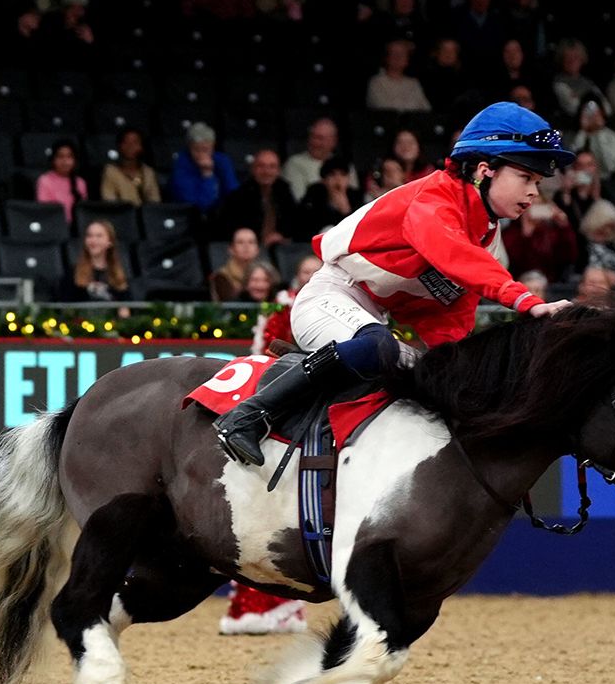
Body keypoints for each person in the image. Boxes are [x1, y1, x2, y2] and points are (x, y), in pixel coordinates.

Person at [214, 102, 574, 468]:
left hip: (373, 322)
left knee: (432, 381)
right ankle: (247, 416)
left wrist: (458, 376)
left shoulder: (489, 241)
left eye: (539, 183)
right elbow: (454, 254)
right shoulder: (434, 197)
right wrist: (526, 301)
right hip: (330, 296)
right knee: (379, 347)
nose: (534, 194)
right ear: (485, 170)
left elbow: (449, 323)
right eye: (526, 178)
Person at [215, 148, 297, 245]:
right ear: (253, 169)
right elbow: (229, 232)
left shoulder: (285, 193)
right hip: (249, 249)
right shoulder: (238, 197)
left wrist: (281, 236)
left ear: (278, 171)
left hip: (282, 250)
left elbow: (295, 225)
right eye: (261, 166)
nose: (266, 171)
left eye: (272, 167)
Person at [170, 122, 239, 213]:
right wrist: (207, 174)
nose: (201, 154)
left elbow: (233, 193)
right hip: (191, 215)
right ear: (189, 147)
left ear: (213, 146)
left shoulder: (222, 161)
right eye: (196, 149)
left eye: (206, 149)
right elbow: (199, 205)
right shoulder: (181, 164)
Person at [64, 220, 130, 301]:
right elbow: (67, 307)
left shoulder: (119, 273)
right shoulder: (73, 272)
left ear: (110, 242)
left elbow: (127, 306)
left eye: (99, 236)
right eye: (89, 236)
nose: (93, 240)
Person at [99, 128, 160, 206]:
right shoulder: (110, 171)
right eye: (126, 142)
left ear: (141, 147)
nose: (130, 146)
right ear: (119, 145)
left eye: (135, 142)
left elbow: (155, 201)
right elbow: (108, 200)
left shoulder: (148, 172)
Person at [365, 39, 430, 112]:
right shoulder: (376, 82)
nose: (397, 57)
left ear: (407, 60)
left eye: (402, 54)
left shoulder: (413, 83)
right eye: (393, 53)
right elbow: (385, 109)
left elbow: (426, 109)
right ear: (387, 57)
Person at [282, 118, 339, 200]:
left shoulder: (344, 165)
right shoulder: (294, 163)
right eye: (312, 136)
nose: (315, 142)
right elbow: (299, 200)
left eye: (320, 138)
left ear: (333, 141)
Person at [34, 140, 87, 222]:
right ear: (53, 160)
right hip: (54, 224)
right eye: (60, 156)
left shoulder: (80, 182)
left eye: (69, 157)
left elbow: (83, 211)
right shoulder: (44, 180)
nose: (65, 161)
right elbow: (45, 210)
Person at [209, 228, 262, 301]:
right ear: (231, 249)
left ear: (257, 250)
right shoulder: (221, 276)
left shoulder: (265, 274)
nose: (246, 246)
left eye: (251, 242)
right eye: (240, 242)